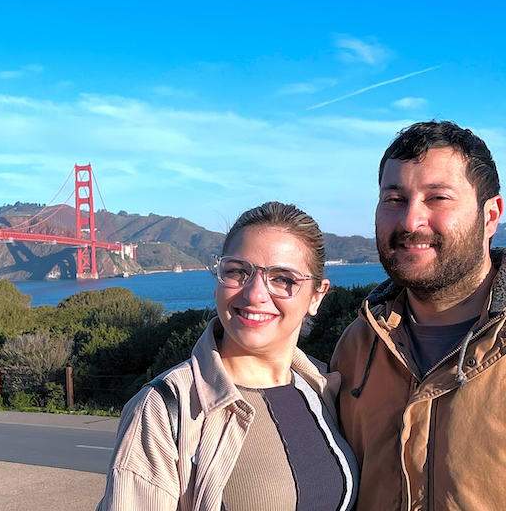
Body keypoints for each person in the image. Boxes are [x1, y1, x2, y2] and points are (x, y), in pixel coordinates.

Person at [98, 202, 359, 511]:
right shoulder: (165, 407)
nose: (254, 294)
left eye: (282, 279)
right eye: (238, 272)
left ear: (317, 295)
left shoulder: (323, 388)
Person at [331, 120, 505, 510]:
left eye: (437, 198)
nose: (411, 222)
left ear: (491, 216)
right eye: (394, 199)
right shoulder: (357, 347)